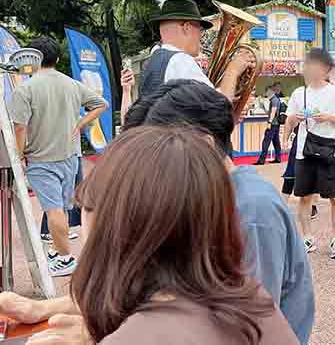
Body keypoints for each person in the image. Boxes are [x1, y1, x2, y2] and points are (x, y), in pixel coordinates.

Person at [0, 80, 315, 345]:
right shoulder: (207, 200)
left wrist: (100, 335)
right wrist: (44, 309)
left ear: (200, 145)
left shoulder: (250, 210)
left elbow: (227, 327)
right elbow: (164, 288)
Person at [8, 37, 108, 277]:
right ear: (58, 58)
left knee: (53, 210)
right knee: (60, 209)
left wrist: (19, 156)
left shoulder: (25, 88)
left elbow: (19, 128)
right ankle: (56, 249)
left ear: (33, 58)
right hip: (70, 158)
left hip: (41, 159)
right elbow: (101, 103)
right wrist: (80, 123)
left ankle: (65, 259)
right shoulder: (72, 84)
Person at [120, 0, 255, 119]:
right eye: (200, 30)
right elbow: (218, 106)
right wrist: (233, 69)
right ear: (186, 27)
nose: (201, 36)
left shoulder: (151, 62)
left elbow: (195, 115)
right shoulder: (180, 61)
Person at [283, 49, 335, 258]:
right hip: (304, 151)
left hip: (329, 150)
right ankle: (307, 238)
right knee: (304, 197)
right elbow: (289, 121)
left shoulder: (334, 92)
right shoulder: (298, 93)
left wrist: (328, 117)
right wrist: (293, 124)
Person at [257, 86, 282, 165]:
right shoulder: (275, 99)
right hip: (276, 124)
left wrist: (269, 122)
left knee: (266, 142)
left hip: (273, 124)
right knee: (276, 141)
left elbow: (273, 111)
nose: (266, 94)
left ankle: (261, 160)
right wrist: (263, 107)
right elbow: (270, 111)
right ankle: (278, 158)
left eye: (267, 92)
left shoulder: (274, 100)